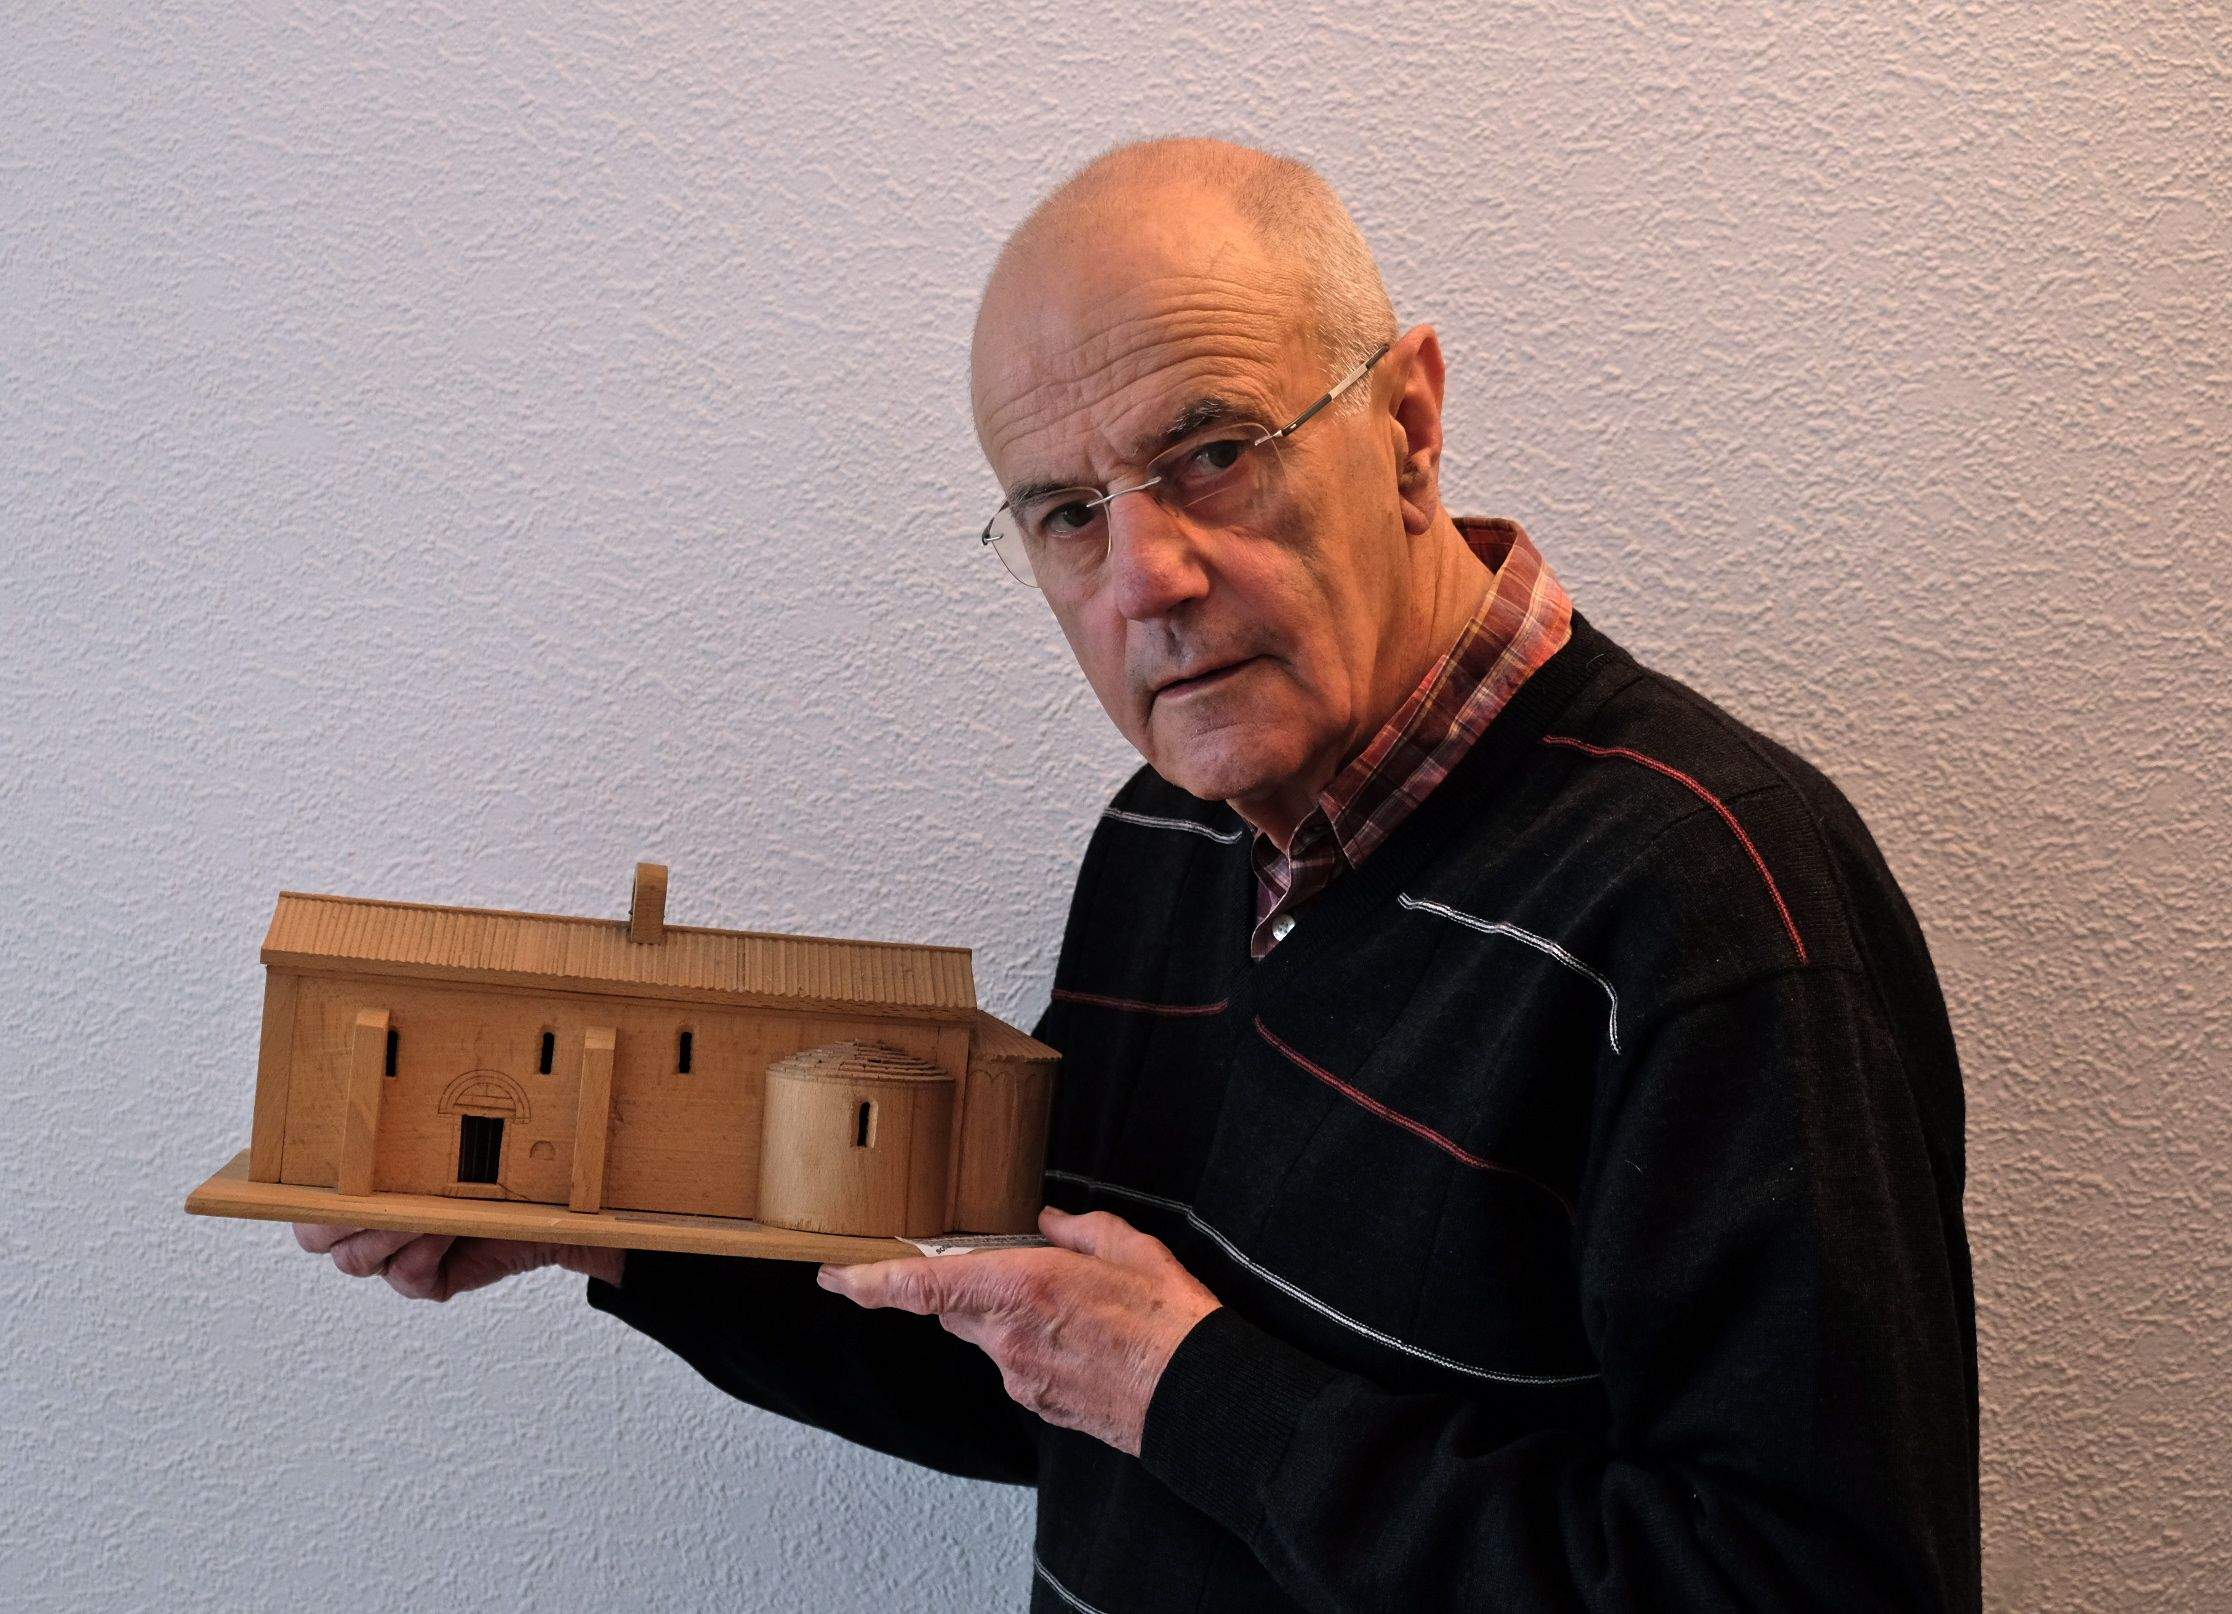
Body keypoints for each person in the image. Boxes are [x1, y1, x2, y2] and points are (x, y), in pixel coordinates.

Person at [296, 137, 1981, 1611]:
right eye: (1063, 514)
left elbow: (1809, 1583)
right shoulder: (1168, 831)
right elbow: (1044, 1363)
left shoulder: (1714, 910)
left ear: (1407, 423)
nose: (1147, 575)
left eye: (1214, 451)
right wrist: (600, 1235)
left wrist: (1197, 1392)